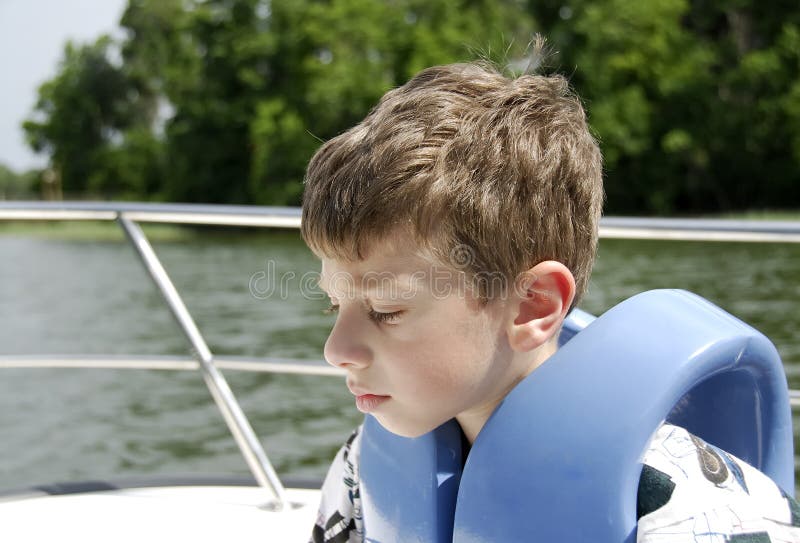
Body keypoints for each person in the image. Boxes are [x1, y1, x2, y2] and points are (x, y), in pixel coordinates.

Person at [300, 60, 800, 542]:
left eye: (386, 311)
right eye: (333, 306)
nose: (335, 349)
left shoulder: (694, 508)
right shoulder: (361, 467)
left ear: (531, 306)